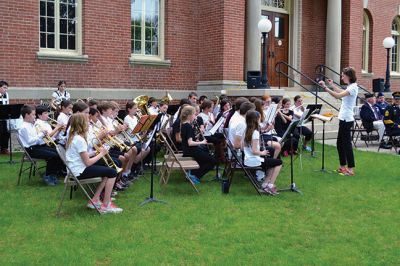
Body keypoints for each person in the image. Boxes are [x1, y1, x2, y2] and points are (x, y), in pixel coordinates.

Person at [65, 113, 122, 214]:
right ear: (82, 124)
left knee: (107, 170)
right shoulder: (79, 140)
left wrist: (96, 152)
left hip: (76, 169)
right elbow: (87, 163)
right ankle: (106, 205)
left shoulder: (75, 137)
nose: (89, 123)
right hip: (79, 171)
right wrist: (101, 154)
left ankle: (95, 200)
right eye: (87, 122)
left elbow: (82, 156)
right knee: (112, 172)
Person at [319, 67, 358, 176]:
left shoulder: (353, 87)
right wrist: (332, 85)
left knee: (346, 144)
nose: (341, 77)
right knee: (340, 144)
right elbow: (341, 91)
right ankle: (342, 167)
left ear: (348, 76)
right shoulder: (350, 87)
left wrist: (326, 88)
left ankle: (350, 169)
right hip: (344, 118)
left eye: (343, 75)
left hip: (347, 119)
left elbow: (338, 96)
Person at [18, 105, 64, 186]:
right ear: (26, 115)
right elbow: (30, 142)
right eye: (33, 114)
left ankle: (53, 173)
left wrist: (43, 136)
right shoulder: (23, 127)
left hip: (37, 147)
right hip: (31, 150)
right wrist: (41, 134)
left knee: (58, 152)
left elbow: (37, 140)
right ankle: (48, 176)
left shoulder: (31, 124)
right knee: (53, 156)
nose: (35, 116)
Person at [243, 111, 282, 195]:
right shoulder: (255, 133)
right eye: (260, 118)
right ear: (256, 120)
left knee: (272, 162)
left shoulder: (246, 130)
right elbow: (254, 151)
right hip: (254, 160)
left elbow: (246, 147)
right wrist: (262, 152)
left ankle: (265, 183)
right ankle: (270, 185)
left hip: (248, 159)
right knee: (279, 163)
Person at [180, 105, 216, 184]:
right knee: (212, 161)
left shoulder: (184, 124)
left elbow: (187, 139)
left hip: (187, 150)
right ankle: (195, 175)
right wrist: (202, 142)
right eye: (194, 114)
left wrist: (196, 136)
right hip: (191, 150)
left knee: (206, 158)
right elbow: (190, 143)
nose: (195, 116)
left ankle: (193, 174)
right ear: (189, 116)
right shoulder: (188, 126)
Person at [0, 80, 10, 154]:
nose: (6, 89)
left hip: (4, 117)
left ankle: (4, 148)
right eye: (4, 87)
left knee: (6, 132)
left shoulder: (6, 94)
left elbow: (7, 105)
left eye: (6, 88)